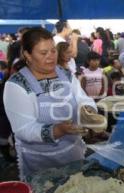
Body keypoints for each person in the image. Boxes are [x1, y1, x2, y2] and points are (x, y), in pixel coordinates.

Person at [3, 27, 100, 180]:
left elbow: (83, 98)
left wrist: (87, 110)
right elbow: (24, 129)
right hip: (39, 161)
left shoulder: (65, 74)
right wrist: (57, 130)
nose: (51, 57)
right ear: (27, 54)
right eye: (43, 53)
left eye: (53, 51)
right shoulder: (16, 85)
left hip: (72, 153)